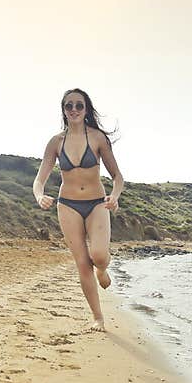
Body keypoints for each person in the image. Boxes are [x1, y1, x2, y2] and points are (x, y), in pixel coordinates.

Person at [32, 88, 124, 332]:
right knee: (83, 264)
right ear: (63, 110)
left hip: (96, 203)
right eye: (68, 105)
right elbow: (39, 179)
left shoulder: (97, 138)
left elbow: (117, 176)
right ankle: (98, 318)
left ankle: (103, 270)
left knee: (99, 256)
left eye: (79, 105)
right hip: (68, 205)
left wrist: (114, 196)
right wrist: (40, 196)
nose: (73, 109)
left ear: (86, 110)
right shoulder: (55, 142)